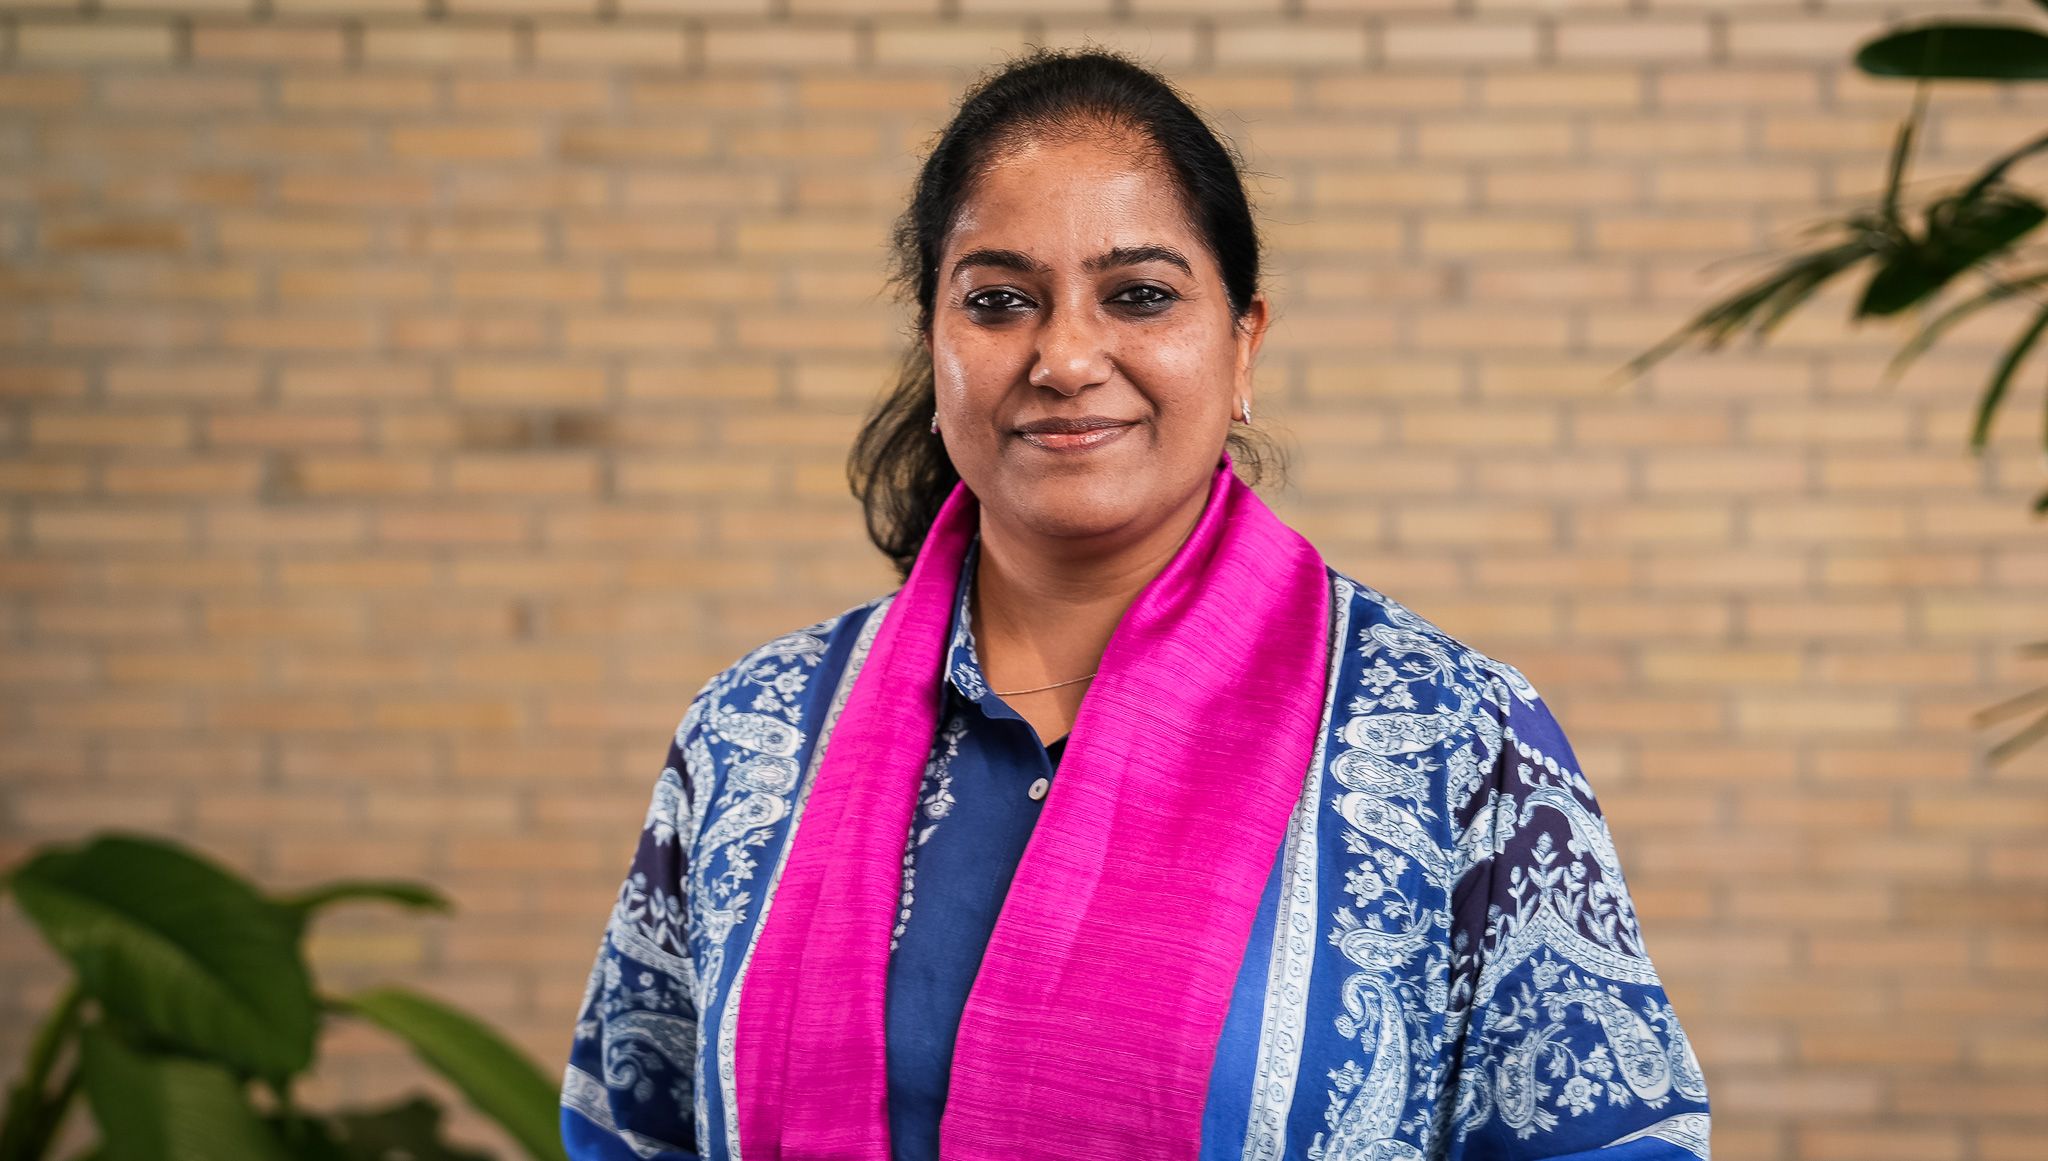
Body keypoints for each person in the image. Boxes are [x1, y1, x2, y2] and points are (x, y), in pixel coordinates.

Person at [559, 46, 1709, 1161]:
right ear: (932, 343)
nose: (1063, 356)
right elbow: (630, 1131)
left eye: (1139, 295)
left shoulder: (1454, 744)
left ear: (1241, 342)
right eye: (999, 300)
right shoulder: (752, 737)